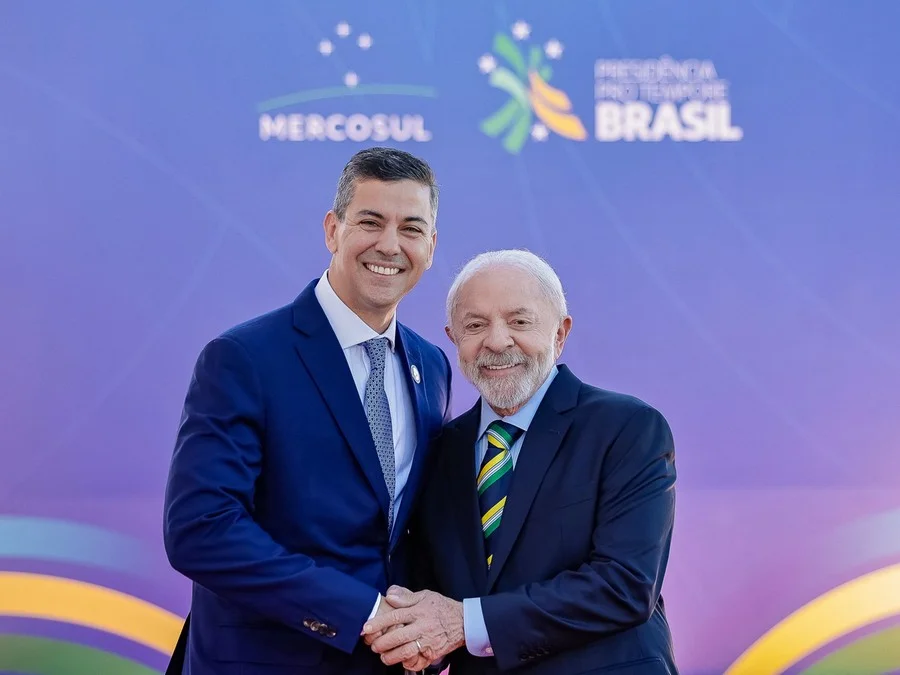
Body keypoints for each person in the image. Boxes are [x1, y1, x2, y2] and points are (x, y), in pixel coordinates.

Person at [162, 147, 453, 675]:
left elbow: (407, 529)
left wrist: (435, 627)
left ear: (430, 247)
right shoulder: (245, 358)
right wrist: (361, 612)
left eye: (411, 228)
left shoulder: (431, 365)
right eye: (371, 222)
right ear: (332, 230)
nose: (390, 245)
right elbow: (201, 530)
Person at [362, 250, 679, 674]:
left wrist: (466, 623)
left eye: (519, 321)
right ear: (453, 339)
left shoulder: (627, 429)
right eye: (475, 325)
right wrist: (419, 640)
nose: (497, 341)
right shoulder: (438, 450)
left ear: (560, 333)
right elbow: (430, 593)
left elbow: (625, 585)